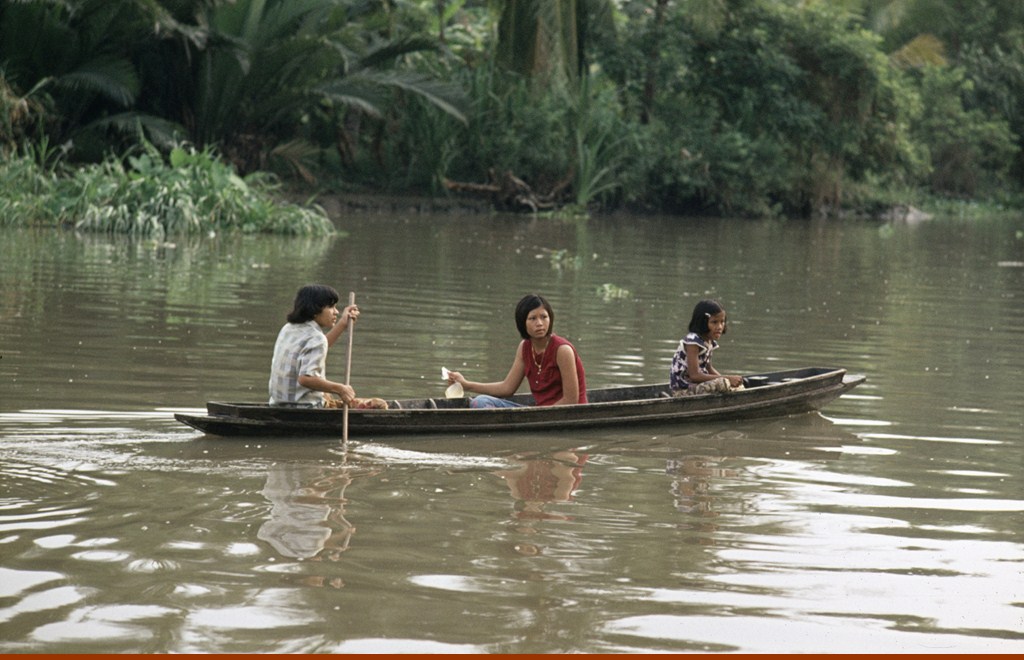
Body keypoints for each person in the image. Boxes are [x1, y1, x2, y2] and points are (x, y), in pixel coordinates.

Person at [446, 293, 587, 408]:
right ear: (522, 323)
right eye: (532, 318)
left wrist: (536, 414)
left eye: (544, 317)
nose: (539, 323)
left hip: (561, 414)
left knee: (480, 403)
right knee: (480, 402)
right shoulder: (525, 348)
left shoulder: (562, 350)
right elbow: (507, 388)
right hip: (539, 413)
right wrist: (466, 384)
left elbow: (571, 401)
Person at [268, 284, 361, 407]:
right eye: (331, 307)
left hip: (277, 405)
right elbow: (306, 379)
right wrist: (340, 389)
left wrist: (342, 324)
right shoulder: (316, 338)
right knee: (371, 405)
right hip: (305, 408)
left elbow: (319, 346)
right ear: (315, 310)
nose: (336, 312)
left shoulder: (288, 328)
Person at [669, 299, 744, 396]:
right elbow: (694, 376)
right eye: (714, 322)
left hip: (697, 386)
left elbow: (709, 368)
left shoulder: (709, 341)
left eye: (722, 322)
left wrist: (729, 380)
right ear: (703, 322)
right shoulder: (693, 342)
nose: (719, 327)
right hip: (683, 390)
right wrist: (727, 379)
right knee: (723, 383)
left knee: (734, 385)